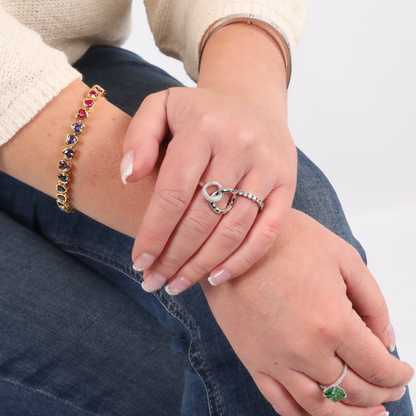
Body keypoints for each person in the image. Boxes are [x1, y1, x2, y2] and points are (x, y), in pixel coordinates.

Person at [0, 1, 413, 415]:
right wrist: (228, 239)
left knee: (301, 266)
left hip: (65, 63)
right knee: (262, 311)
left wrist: (246, 92)